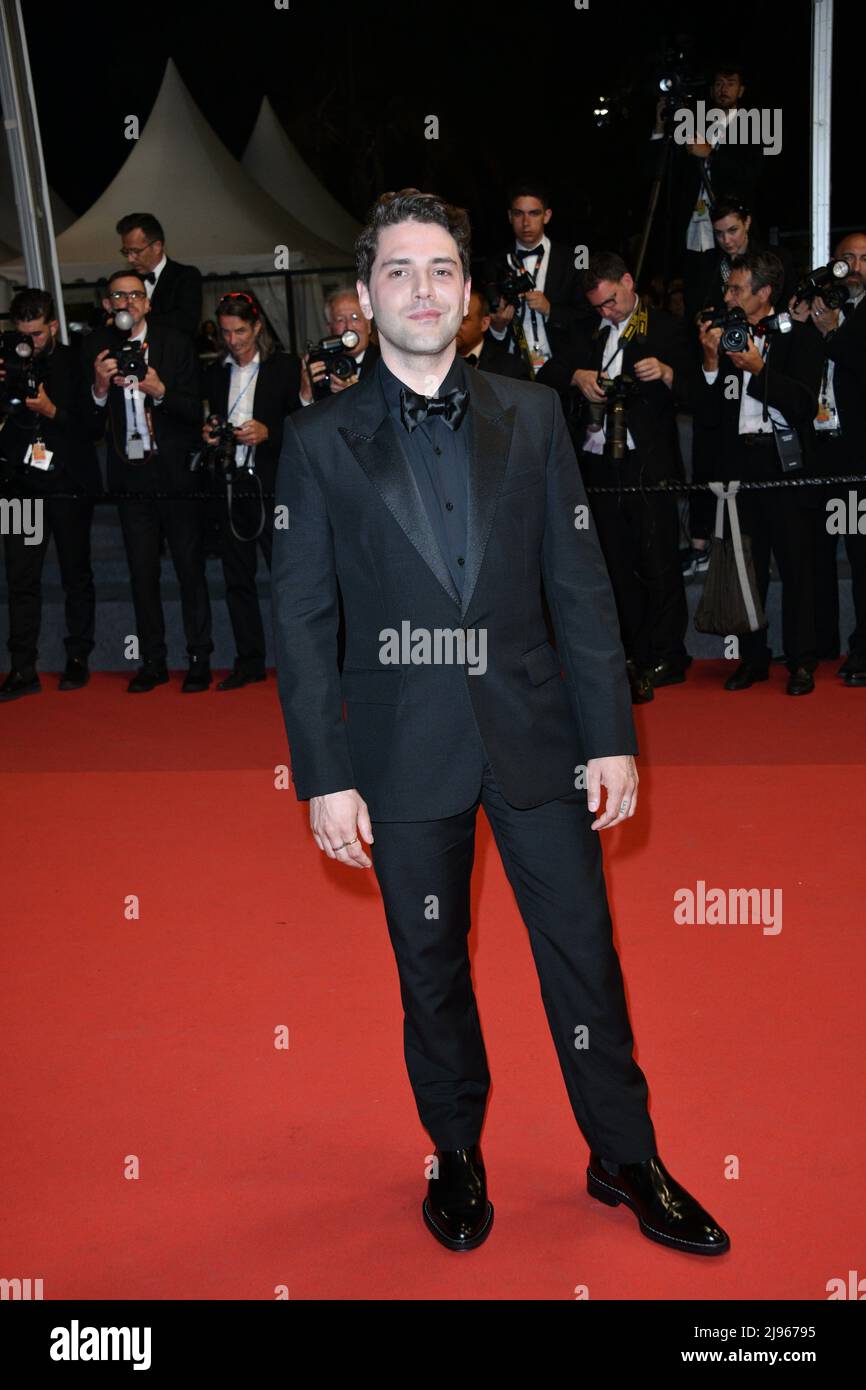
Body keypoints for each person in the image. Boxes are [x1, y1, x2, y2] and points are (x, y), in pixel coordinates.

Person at [271, 188, 729, 1258]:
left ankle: (623, 1154)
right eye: (398, 270)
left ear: (468, 294)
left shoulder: (529, 413)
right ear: (364, 293)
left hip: (537, 736)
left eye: (440, 270)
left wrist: (609, 732)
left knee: (583, 955)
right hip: (398, 747)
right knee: (429, 964)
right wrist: (322, 772)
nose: (420, 289)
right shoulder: (317, 439)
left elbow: (578, 584)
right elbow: (296, 619)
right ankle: (456, 1150)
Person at [539, 252, 694, 702]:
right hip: (598, 464)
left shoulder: (664, 327)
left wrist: (666, 374)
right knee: (612, 564)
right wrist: (577, 376)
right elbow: (546, 371)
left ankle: (668, 653)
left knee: (659, 561)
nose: (605, 311)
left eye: (610, 302)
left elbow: (699, 392)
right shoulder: (587, 330)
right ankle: (627, 653)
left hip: (649, 464)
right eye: (599, 306)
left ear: (628, 282)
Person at [696, 250, 823, 694]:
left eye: (736, 288)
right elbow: (709, 418)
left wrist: (759, 370)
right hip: (739, 465)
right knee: (746, 566)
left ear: (765, 292)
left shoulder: (801, 338)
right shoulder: (726, 337)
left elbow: (806, 405)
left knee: (795, 566)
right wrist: (712, 365)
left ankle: (802, 660)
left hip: (784, 463)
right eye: (727, 287)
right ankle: (752, 659)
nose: (727, 295)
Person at [88, 269, 213, 692]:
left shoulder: (175, 343)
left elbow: (194, 411)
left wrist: (159, 390)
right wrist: (100, 388)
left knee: (189, 570)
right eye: (118, 296)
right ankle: (152, 660)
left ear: (148, 302)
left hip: (174, 474)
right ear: (108, 305)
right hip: (129, 477)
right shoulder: (95, 347)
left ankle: (199, 657)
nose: (126, 302)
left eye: (134, 295)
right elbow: (85, 423)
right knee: (141, 574)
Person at [0, 289, 101, 700]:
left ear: (54, 326)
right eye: (24, 334)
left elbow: (93, 428)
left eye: (38, 334)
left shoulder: (77, 361)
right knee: (20, 578)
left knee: (76, 572)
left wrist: (51, 410)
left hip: (69, 484)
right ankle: (22, 667)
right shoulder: (7, 361)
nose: (31, 343)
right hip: (18, 486)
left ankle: (78, 658)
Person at [202, 291, 303, 688]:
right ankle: (249, 661)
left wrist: (269, 433)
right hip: (229, 485)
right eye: (226, 332)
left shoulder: (284, 368)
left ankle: (298, 663)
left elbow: (304, 425)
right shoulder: (213, 373)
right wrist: (209, 434)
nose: (233, 340)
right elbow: (206, 418)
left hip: (274, 487)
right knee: (236, 579)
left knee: (288, 581)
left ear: (258, 326)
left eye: (240, 331)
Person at [790, 232, 866, 685]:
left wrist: (831, 331)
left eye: (863, 258)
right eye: (846, 259)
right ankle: (820, 644)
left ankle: (863, 649)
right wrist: (803, 325)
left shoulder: (843, 319)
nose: (854, 266)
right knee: (813, 553)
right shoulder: (821, 308)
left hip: (858, 456)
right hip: (817, 452)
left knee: (861, 556)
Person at [650, 64, 764, 321]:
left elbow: (751, 173)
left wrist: (711, 154)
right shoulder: (696, 121)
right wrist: (660, 125)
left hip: (728, 234)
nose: (724, 89)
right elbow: (665, 170)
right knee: (694, 307)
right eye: (719, 83)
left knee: (729, 300)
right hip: (693, 233)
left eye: (731, 83)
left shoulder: (752, 124)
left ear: (741, 89)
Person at [483, 180, 585, 375]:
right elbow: (483, 325)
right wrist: (497, 327)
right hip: (511, 368)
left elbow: (588, 315)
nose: (526, 222)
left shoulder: (573, 259)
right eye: (519, 213)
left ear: (547, 216)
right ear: (510, 216)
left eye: (534, 213)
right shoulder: (494, 262)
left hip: (561, 369)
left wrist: (551, 310)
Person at [116, 213, 203, 340]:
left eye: (135, 251)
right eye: (126, 252)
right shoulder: (127, 280)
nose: (130, 259)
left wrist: (136, 319)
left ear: (157, 247)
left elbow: (186, 323)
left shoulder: (185, 276)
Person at [299, 285, 379, 406]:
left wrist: (356, 397)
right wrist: (306, 397)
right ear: (329, 329)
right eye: (340, 320)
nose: (349, 327)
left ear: (368, 325)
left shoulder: (386, 362)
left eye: (355, 318)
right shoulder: (320, 365)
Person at [456, 287, 531, 379]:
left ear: (484, 324)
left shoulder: (511, 369)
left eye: (463, 320)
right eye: (452, 318)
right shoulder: (435, 361)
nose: (454, 325)